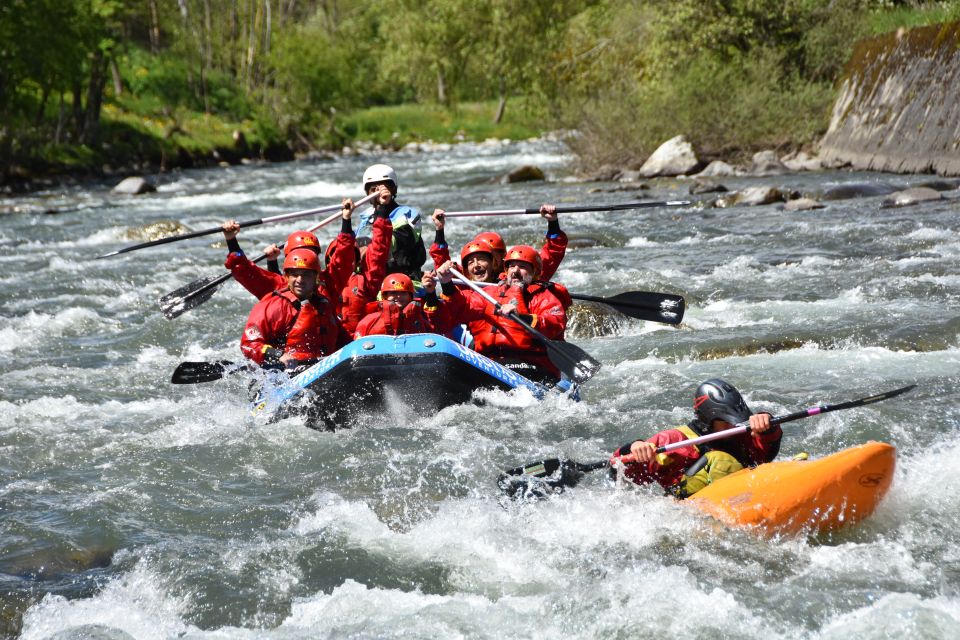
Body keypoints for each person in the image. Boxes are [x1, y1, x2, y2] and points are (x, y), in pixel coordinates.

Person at [608, 379, 783, 498]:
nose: (733, 426)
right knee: (721, 461)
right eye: (726, 421)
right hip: (689, 507)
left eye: (735, 420)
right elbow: (617, 468)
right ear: (709, 418)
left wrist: (767, 426)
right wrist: (636, 446)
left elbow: (765, 453)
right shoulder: (675, 440)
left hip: (741, 494)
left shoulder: (738, 434)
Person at [440, 245, 569, 382]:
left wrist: (521, 317)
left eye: (522, 266)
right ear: (506, 270)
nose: (516, 271)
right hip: (490, 363)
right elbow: (462, 306)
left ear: (534, 272)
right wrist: (446, 283)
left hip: (532, 365)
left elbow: (554, 324)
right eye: (512, 266)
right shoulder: (489, 293)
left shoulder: (544, 297)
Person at [222, 199, 357, 301]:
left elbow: (343, 257)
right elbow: (244, 270)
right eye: (299, 255)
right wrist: (231, 239)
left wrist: (346, 219)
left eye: (310, 254)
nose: (305, 261)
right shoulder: (279, 286)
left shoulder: (329, 282)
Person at [240, 248, 349, 369]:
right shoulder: (275, 305)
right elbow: (249, 344)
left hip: (324, 369)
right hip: (286, 374)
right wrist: (279, 355)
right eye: (295, 275)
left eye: (306, 275)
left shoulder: (324, 304)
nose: (300, 280)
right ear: (287, 277)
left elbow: (344, 341)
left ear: (316, 278)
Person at [428, 204, 567, 281]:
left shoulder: (519, 273)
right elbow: (442, 266)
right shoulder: (466, 276)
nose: (477, 265)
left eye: (495, 255)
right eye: (475, 259)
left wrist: (553, 222)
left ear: (504, 256)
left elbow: (552, 254)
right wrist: (439, 230)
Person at [352, 164, 426, 280]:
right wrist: (345, 220)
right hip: (370, 282)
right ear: (367, 193)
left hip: (402, 282)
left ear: (393, 189)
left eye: (383, 188)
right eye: (373, 190)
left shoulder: (408, 214)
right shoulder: (365, 217)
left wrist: (383, 208)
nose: (378, 193)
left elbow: (395, 244)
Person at [353, 272, 441, 337]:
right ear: (385, 296)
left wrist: (431, 292)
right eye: (393, 293)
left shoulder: (422, 320)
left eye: (403, 293)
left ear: (410, 296)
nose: (398, 296)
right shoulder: (369, 321)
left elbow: (438, 331)